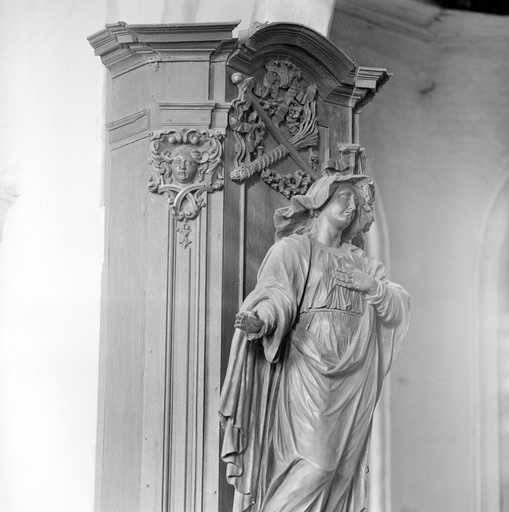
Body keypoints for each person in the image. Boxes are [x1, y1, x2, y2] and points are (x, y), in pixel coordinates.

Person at [219, 172, 410, 512]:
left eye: (356, 202)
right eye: (344, 198)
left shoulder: (361, 262)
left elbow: (398, 306)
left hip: (355, 376)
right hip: (307, 367)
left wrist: (371, 287)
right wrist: (261, 320)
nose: (351, 207)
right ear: (320, 201)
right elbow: (276, 294)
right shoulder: (292, 250)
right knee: (316, 465)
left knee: (341, 471)